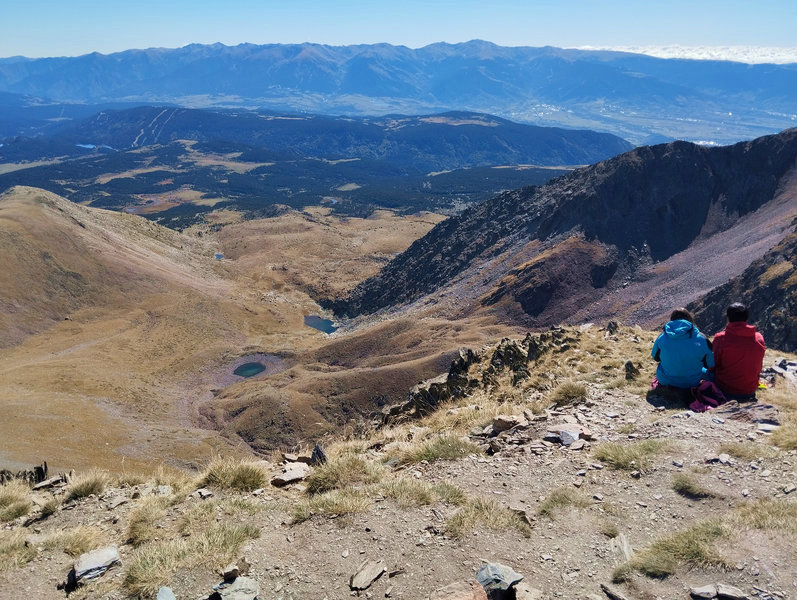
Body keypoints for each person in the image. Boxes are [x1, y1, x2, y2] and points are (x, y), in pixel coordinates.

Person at [712, 303, 766, 399]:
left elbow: (713, 364)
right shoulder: (758, 338)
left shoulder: (720, 338)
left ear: (728, 318)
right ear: (746, 318)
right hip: (750, 390)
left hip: (726, 390)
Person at [651, 308, 714, 389]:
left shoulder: (662, 336)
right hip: (691, 382)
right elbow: (711, 363)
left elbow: (655, 357)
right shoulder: (701, 338)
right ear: (689, 319)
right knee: (708, 373)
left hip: (665, 381)